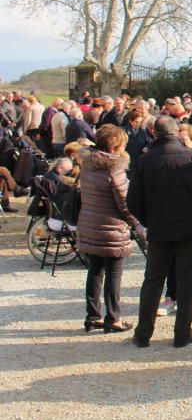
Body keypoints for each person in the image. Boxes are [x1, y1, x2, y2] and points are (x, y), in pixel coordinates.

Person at [129, 116, 192, 348]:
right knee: (187, 280)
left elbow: (133, 200)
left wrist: (148, 220)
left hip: (160, 227)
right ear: (176, 132)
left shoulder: (145, 161)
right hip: (189, 227)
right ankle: (182, 332)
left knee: (153, 280)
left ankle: (143, 333)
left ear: (154, 134)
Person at [76, 125, 146, 334]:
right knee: (114, 275)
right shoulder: (114, 168)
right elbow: (125, 203)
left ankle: (93, 316)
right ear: (115, 146)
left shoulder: (88, 164)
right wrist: (137, 224)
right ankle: (113, 318)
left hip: (89, 223)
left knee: (95, 272)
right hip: (111, 227)